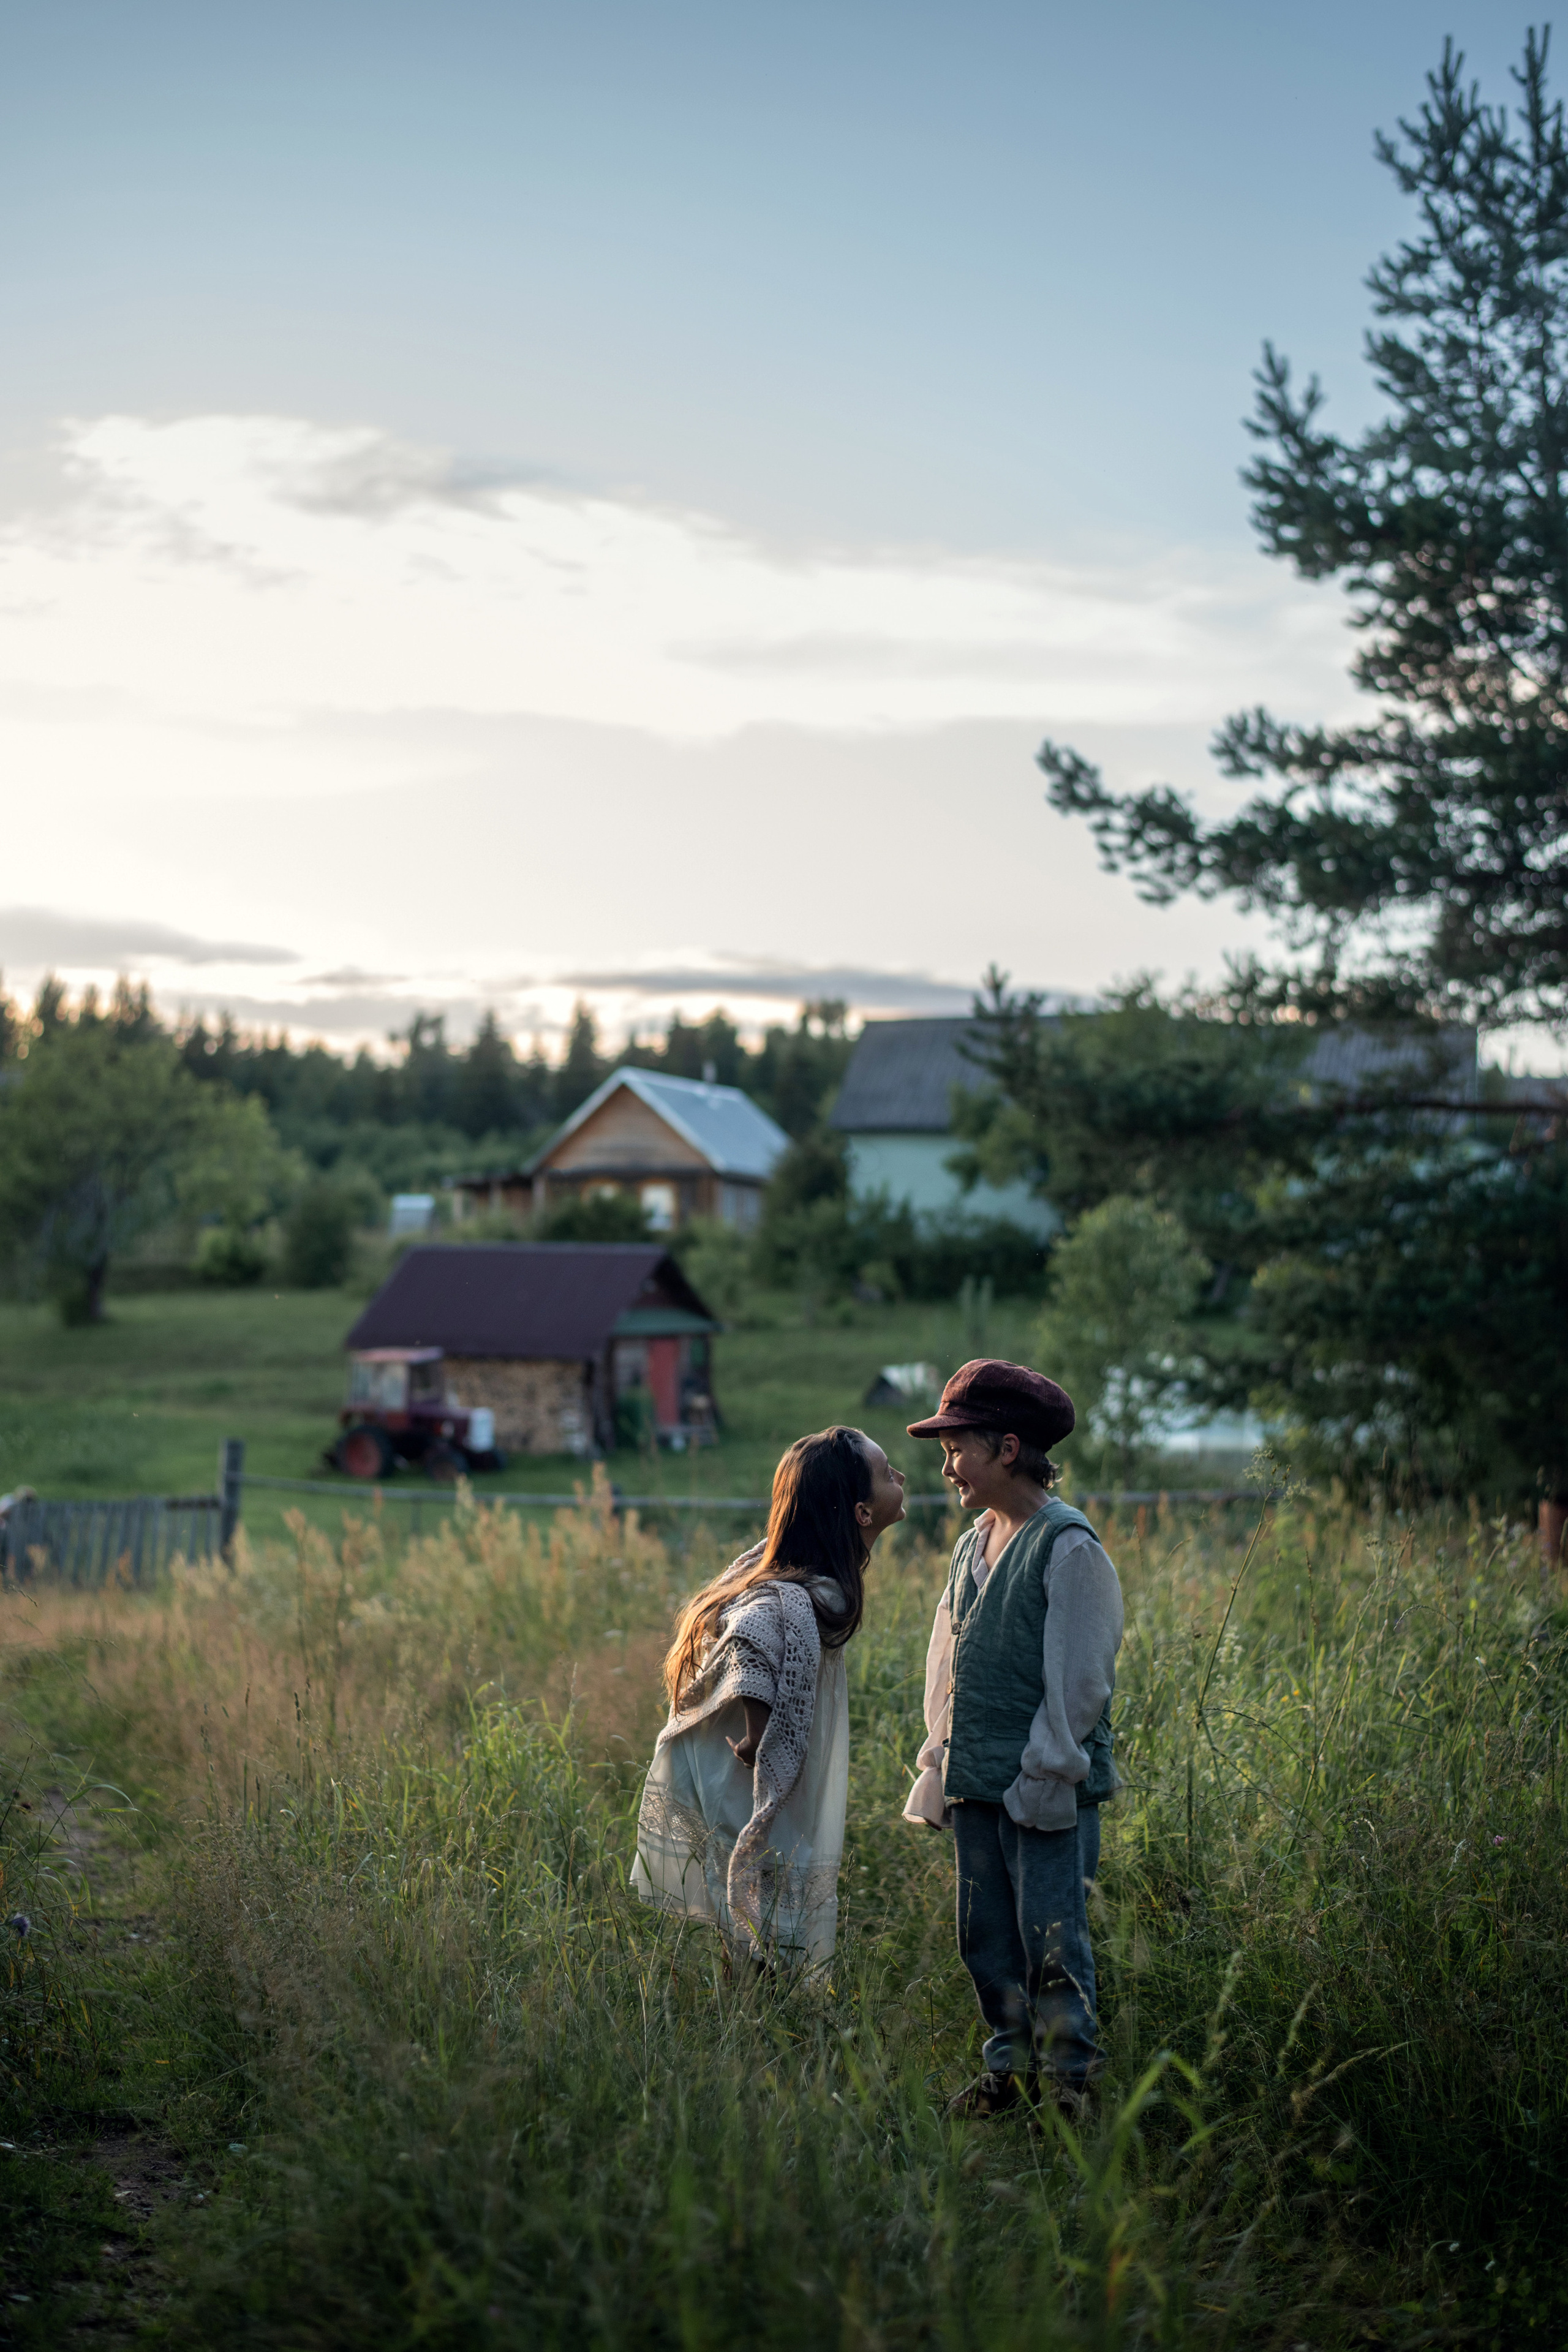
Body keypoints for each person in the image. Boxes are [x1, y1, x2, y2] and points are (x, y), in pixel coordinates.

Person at [903, 1359, 1123, 2120]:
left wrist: (1046, 1771)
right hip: (977, 1778)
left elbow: (1080, 1682)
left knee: (1051, 1937)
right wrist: (940, 1752)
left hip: (1042, 1784)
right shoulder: (973, 1544)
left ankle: (1071, 2082)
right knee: (986, 1933)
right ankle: (1012, 2069)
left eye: (957, 1448)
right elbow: (949, 1658)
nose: (946, 1467)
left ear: (1005, 1448)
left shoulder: (1068, 1547)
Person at [631, 1426, 907, 1966]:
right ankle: (764, 2026)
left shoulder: (814, 1577)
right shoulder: (800, 1595)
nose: (898, 1476)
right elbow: (752, 1633)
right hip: (738, 1765)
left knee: (762, 1915)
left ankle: (757, 2021)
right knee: (764, 1917)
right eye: (884, 1472)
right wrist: (762, 1732)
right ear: (861, 1513)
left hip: (740, 1767)